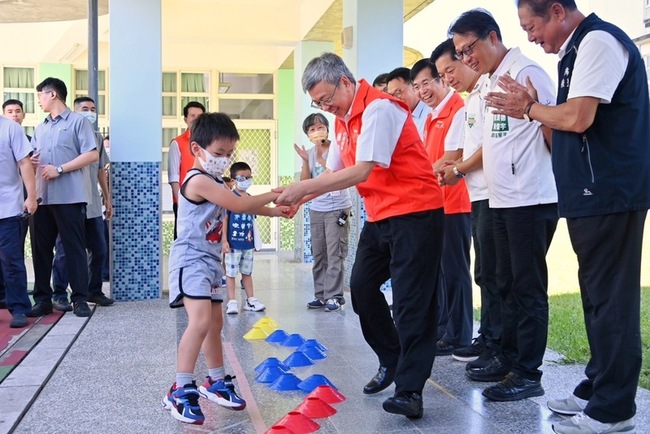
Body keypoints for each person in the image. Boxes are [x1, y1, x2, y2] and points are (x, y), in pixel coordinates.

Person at [485, 2, 650, 432]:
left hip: (611, 193)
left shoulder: (598, 41)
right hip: (588, 195)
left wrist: (529, 108)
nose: (530, 36)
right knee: (596, 297)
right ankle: (598, 385)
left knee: (612, 300)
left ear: (557, 11)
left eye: (532, 25)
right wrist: (538, 109)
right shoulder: (573, 52)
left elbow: (578, 117)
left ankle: (614, 411)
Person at [276, 52, 445, 419]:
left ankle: (410, 391)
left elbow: (363, 171)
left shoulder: (380, 109)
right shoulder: (343, 121)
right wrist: (300, 199)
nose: (326, 108)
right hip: (383, 215)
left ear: (346, 83)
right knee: (362, 288)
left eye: (327, 99)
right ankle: (392, 357)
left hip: (417, 213)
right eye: (318, 104)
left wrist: (302, 189)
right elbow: (333, 172)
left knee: (411, 302)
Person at [450, 9, 559, 402]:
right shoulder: (492, 81)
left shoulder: (529, 73)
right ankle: (508, 358)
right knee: (506, 285)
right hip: (501, 201)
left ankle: (529, 373)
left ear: (492, 37)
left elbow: (554, 133)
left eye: (470, 48)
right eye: (461, 53)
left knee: (527, 289)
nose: (466, 58)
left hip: (530, 200)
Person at [162, 112, 289, 424]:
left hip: (209, 262)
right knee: (201, 322)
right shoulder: (199, 180)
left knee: (215, 324)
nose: (224, 159)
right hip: (190, 260)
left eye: (229, 154)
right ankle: (180, 387)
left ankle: (216, 380)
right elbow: (239, 204)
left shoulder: (217, 180)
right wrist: (278, 192)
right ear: (197, 149)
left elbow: (244, 203)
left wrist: (277, 211)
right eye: (219, 154)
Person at [431, 39, 501, 369]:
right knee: (480, 274)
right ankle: (482, 339)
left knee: (481, 275)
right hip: (473, 196)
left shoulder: (461, 107)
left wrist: (455, 169)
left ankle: (482, 342)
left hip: (470, 200)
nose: (448, 79)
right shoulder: (469, 101)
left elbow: (462, 155)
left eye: (448, 70)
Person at [410, 58, 474, 357]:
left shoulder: (457, 110)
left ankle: (459, 335)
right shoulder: (433, 116)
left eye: (427, 83)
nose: (422, 90)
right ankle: (443, 328)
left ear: (442, 81)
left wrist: (413, 181)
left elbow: (451, 156)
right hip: (436, 202)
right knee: (442, 272)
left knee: (456, 272)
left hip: (456, 202)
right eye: (417, 86)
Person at [27, 77, 99, 318]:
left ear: (53, 95)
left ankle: (79, 299)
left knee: (74, 249)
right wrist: (33, 162)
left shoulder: (79, 122)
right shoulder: (41, 128)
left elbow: (91, 154)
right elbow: (33, 161)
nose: (38, 100)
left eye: (40, 96)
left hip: (70, 197)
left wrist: (60, 169)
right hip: (43, 199)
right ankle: (43, 299)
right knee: (41, 251)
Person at [50, 97, 114, 309]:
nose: (90, 112)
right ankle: (59, 293)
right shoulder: (64, 135)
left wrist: (107, 197)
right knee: (65, 251)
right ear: (75, 112)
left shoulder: (95, 137)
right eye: (85, 109)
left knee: (99, 250)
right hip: (69, 202)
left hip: (92, 203)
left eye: (93, 109)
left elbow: (99, 171)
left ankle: (93, 291)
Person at [294, 113, 351, 312]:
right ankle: (320, 295)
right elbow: (305, 183)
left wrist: (320, 157)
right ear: (307, 134)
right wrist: (305, 160)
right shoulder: (309, 153)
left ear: (327, 129)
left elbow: (338, 173)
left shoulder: (339, 148)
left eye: (321, 127)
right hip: (316, 208)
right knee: (319, 253)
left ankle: (334, 296)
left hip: (337, 208)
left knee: (335, 253)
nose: (317, 131)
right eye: (312, 129)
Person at [0, 115, 37, 328]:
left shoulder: (10, 128)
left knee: (11, 260)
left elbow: (24, 163)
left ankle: (20, 308)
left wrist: (31, 196)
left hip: (7, 207)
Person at [223, 161, 268, 314]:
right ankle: (232, 301)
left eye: (249, 177)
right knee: (231, 273)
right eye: (242, 178)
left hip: (247, 245)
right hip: (233, 244)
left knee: (247, 273)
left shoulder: (251, 199)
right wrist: (224, 241)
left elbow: (253, 222)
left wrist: (256, 242)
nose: (246, 181)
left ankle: (251, 300)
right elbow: (225, 220)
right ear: (233, 181)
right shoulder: (230, 198)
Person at [168, 101, 206, 239]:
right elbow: (173, 178)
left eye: (199, 116)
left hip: (206, 201)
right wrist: (182, 202)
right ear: (185, 119)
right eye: (192, 115)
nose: (196, 119)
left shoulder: (208, 143)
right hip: (185, 202)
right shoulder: (177, 143)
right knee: (183, 240)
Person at [385, 67, 431, 138]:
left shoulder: (430, 112)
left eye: (398, 92)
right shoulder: (399, 118)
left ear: (413, 86)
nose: (395, 99)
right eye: (391, 95)